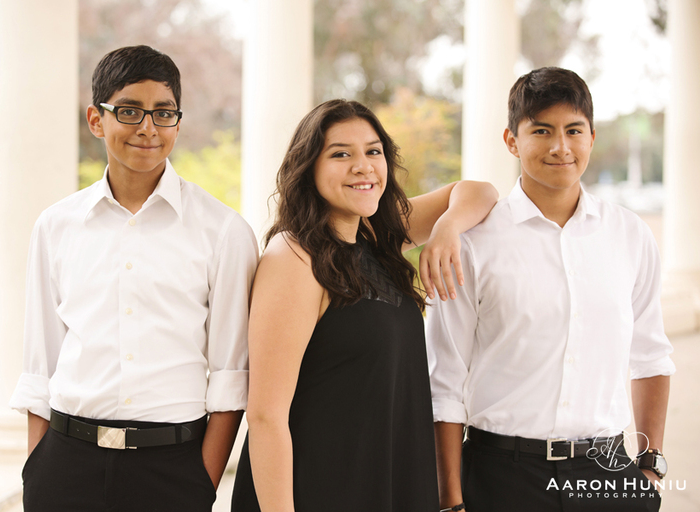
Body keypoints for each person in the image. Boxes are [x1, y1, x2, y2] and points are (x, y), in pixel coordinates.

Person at [8, 45, 258, 512]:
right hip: (64, 466)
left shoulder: (224, 232)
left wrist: (200, 483)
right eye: (129, 111)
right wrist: (36, 468)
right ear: (96, 120)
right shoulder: (56, 226)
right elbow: (40, 364)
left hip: (173, 472)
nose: (148, 128)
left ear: (178, 124)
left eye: (163, 113)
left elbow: (230, 374)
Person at [426, 67, 675, 512]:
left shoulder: (630, 235)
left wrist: (650, 465)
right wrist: (451, 502)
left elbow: (651, 355)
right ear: (512, 141)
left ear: (591, 138)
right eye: (542, 131)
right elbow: (444, 382)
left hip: (609, 476)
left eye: (573, 130)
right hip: (500, 476)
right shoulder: (471, 244)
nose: (561, 147)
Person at [230, 99, 499, 512]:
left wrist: (448, 228)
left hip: (389, 481)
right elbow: (266, 416)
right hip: (322, 490)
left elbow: (480, 192)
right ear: (308, 167)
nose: (363, 166)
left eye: (373, 151)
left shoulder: (374, 236)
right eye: (341, 154)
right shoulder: (294, 257)